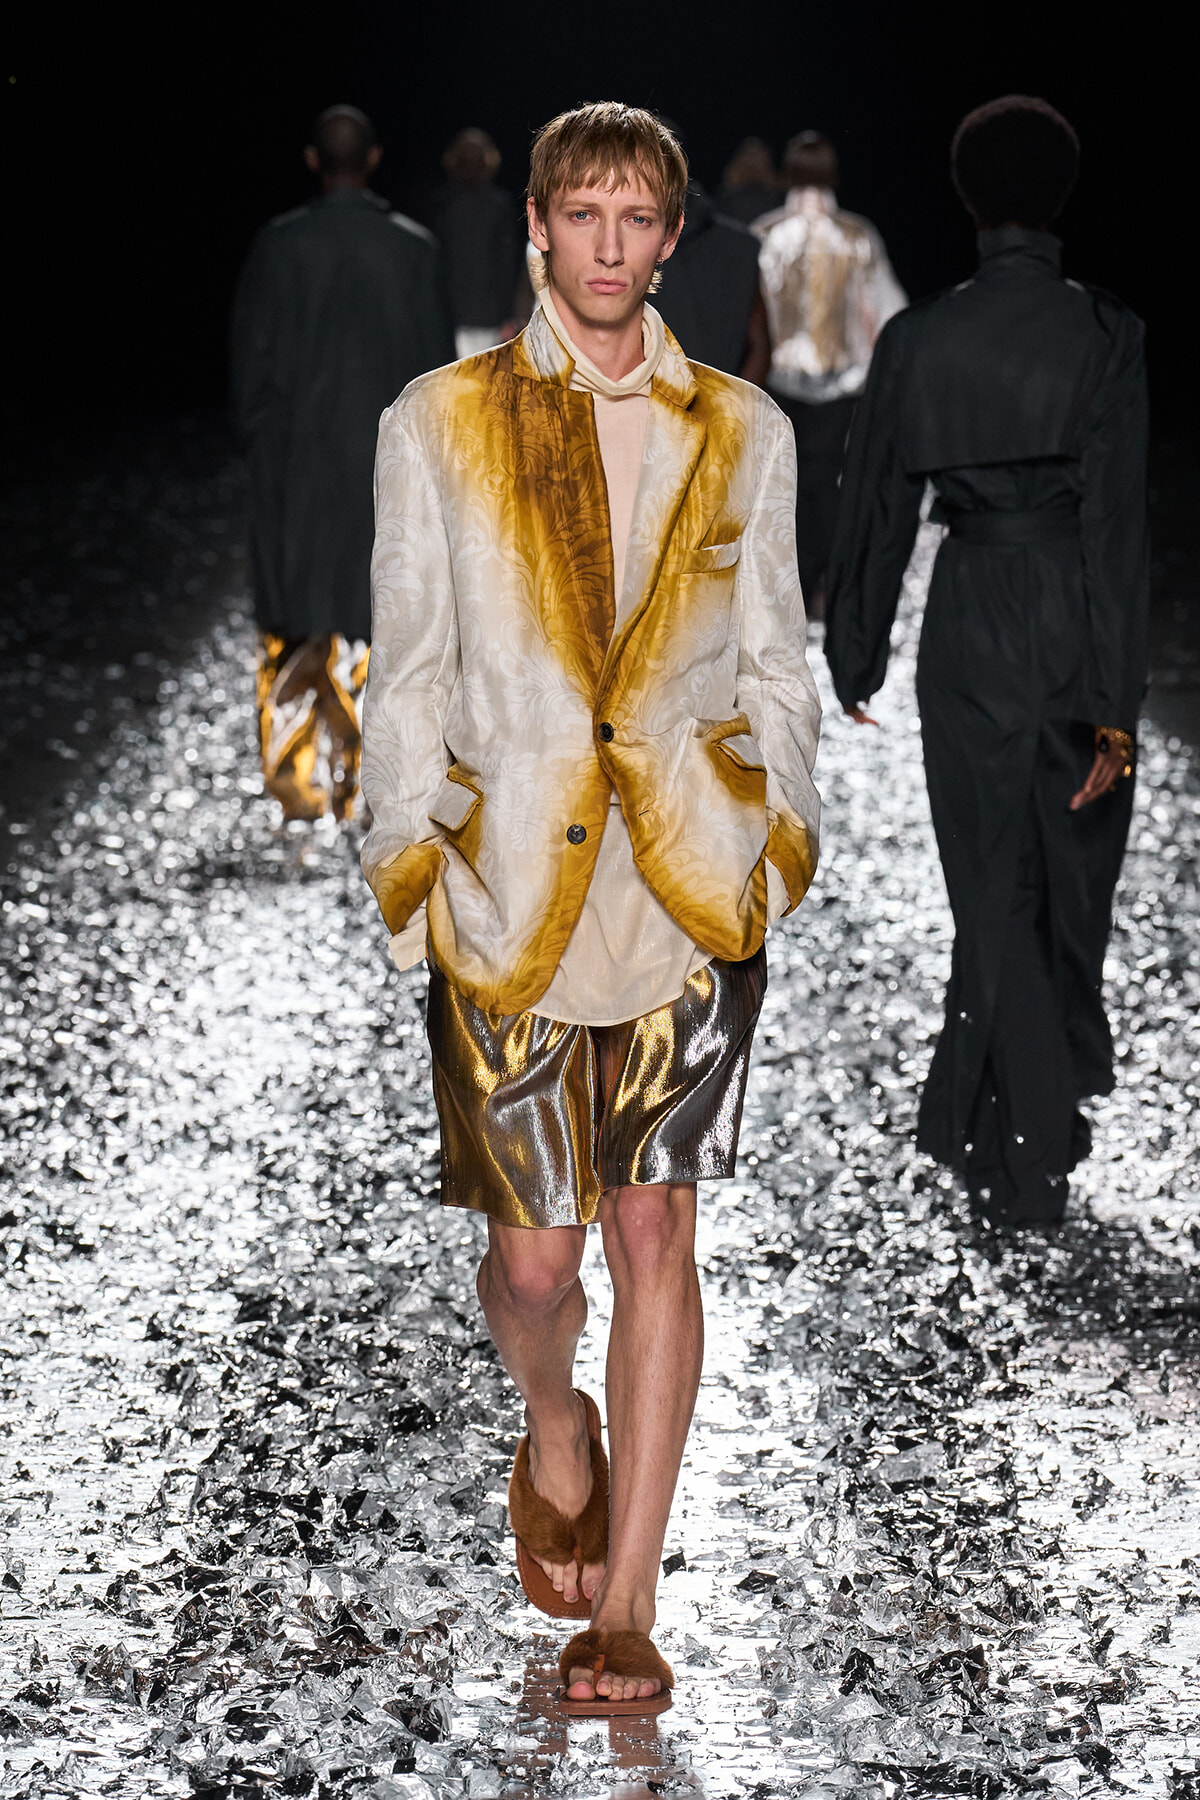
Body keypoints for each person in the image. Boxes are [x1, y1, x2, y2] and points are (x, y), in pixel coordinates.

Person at [360, 102, 821, 1712]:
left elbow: (776, 659)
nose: (613, 246)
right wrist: (409, 867)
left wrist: (778, 841)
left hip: (685, 885)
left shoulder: (743, 429)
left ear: (673, 237)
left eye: (641, 219)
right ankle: (558, 1426)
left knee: (654, 1231)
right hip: (511, 888)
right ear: (540, 233)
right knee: (540, 1266)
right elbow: (407, 672)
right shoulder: (439, 422)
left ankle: (626, 1604)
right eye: (587, 217)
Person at [825, 96, 1148, 1229]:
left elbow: (876, 503)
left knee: (991, 880)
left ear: (967, 199)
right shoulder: (1106, 333)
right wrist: (1117, 705)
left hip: (968, 618)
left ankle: (1012, 1123)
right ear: (1062, 195)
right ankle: (1033, 1136)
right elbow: (1117, 524)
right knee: (1067, 886)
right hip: (1070, 611)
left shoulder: (919, 339)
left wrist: (855, 652)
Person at [231, 105, 455, 821]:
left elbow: (250, 361)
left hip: (298, 460)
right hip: (385, 465)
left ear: (311, 161)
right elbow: (437, 373)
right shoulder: (414, 250)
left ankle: (301, 785)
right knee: (381, 612)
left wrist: (261, 440)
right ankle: (369, 777)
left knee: (299, 611)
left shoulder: (278, 246)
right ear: (374, 159)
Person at [756, 131, 906, 612]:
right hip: (843, 386)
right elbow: (887, 312)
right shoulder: (857, 235)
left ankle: (791, 586)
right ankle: (824, 585)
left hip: (779, 383)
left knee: (786, 487)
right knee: (831, 485)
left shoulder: (764, 234)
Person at [654, 180, 771, 383]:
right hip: (720, 404)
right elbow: (760, 345)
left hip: (644, 404)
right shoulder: (742, 247)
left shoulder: (621, 249)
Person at [431, 128, 524, 359]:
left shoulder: (443, 205)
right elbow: (507, 264)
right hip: (471, 319)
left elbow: (507, 264)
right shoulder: (442, 206)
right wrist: (510, 315)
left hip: (458, 319)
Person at [715, 136, 780, 227]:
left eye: (756, 155)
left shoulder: (777, 197)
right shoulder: (724, 197)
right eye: (749, 154)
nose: (752, 160)